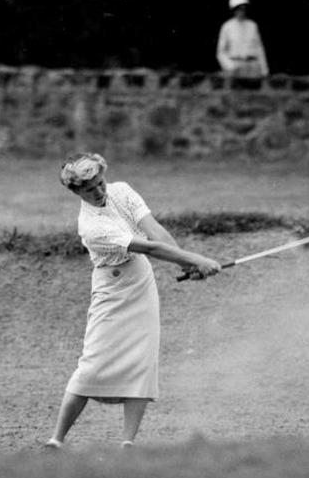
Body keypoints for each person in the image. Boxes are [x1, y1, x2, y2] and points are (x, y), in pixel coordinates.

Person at [46, 153, 222, 450]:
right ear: (77, 193)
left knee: (143, 360)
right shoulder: (90, 226)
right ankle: (56, 439)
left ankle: (127, 442)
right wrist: (194, 259)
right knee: (92, 363)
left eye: (100, 183)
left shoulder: (122, 191)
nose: (100, 191)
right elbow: (149, 246)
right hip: (110, 289)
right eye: (90, 189)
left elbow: (156, 232)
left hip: (140, 282)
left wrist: (186, 265)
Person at [216, 0, 269, 78]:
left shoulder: (252, 26)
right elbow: (220, 52)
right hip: (235, 67)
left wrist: (264, 70)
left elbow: (259, 48)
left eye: (243, 8)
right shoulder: (227, 26)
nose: (241, 11)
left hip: (252, 67)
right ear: (234, 10)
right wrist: (230, 66)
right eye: (239, 9)